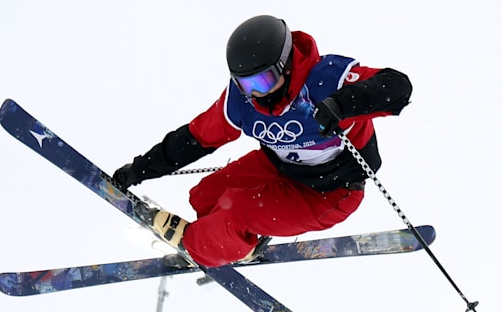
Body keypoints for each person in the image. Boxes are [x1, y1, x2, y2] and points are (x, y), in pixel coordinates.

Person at [112, 14, 412, 268]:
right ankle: (240, 246)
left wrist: (343, 104)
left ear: (285, 65)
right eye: (246, 84)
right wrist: (140, 170)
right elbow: (195, 138)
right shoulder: (240, 103)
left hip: (330, 192)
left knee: (235, 213)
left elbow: (399, 86)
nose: (256, 94)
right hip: (277, 169)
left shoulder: (327, 80)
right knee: (205, 197)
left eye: (264, 81)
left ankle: (199, 249)